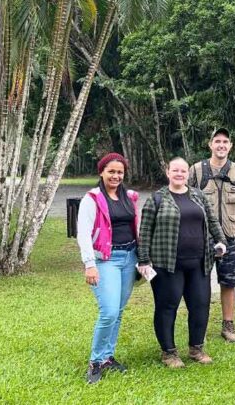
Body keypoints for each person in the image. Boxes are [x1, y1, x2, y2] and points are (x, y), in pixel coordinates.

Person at [137, 157, 228, 368]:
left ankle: (196, 348)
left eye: (183, 171)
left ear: (188, 174)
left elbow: (212, 221)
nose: (179, 174)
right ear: (168, 172)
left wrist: (221, 241)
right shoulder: (157, 199)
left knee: (200, 305)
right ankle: (168, 352)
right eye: (175, 170)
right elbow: (145, 232)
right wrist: (143, 259)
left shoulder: (198, 196)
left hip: (199, 262)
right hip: (167, 264)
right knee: (167, 306)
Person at [77, 152, 140, 384]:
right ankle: (95, 361)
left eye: (120, 172)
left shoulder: (129, 197)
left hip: (129, 257)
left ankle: (107, 357)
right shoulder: (92, 199)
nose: (115, 176)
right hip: (105, 260)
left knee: (119, 311)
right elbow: (83, 233)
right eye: (111, 171)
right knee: (109, 311)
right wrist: (89, 265)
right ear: (101, 172)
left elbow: (136, 226)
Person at [188, 128, 235, 343]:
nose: (221, 145)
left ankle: (228, 324)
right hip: (202, 237)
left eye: (225, 141)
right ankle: (200, 326)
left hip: (232, 235)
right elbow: (185, 199)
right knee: (200, 283)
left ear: (230, 145)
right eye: (217, 141)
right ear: (210, 144)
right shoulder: (196, 171)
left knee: (229, 282)